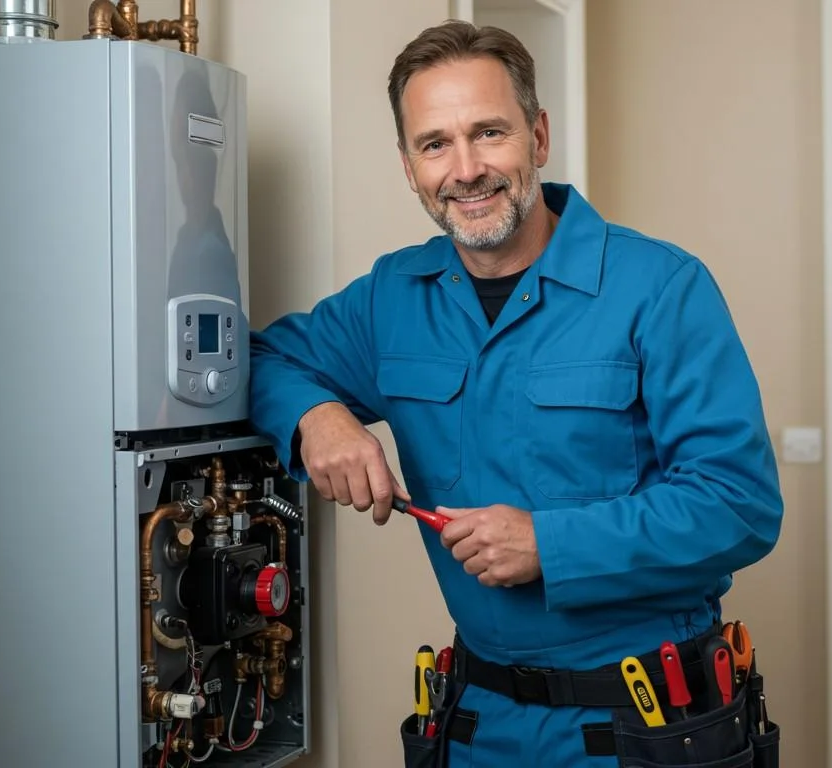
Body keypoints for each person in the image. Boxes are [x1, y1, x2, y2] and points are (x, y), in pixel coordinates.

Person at [247, 20, 784, 768]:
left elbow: (740, 505)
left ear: (538, 136)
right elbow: (262, 357)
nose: (465, 169)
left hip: (646, 728)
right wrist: (318, 417)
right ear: (408, 166)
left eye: (489, 132)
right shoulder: (391, 297)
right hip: (476, 724)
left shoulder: (661, 287)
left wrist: (549, 544)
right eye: (434, 143)